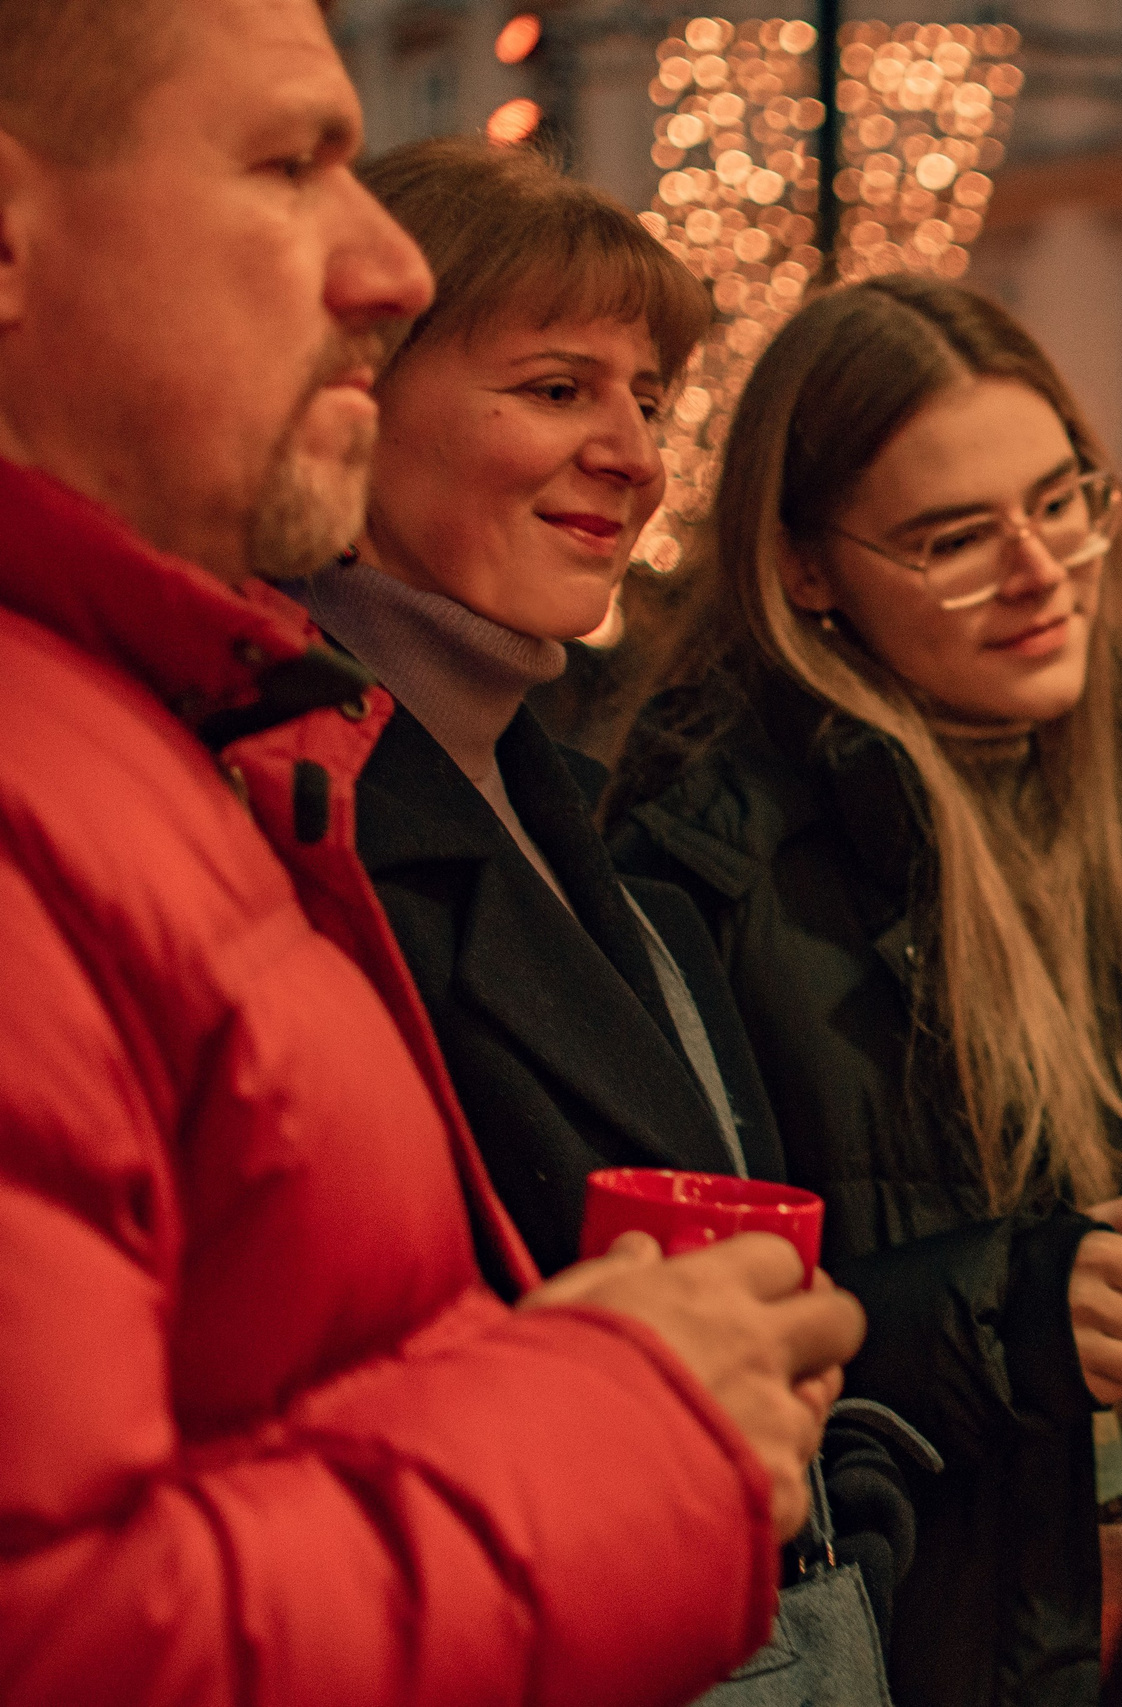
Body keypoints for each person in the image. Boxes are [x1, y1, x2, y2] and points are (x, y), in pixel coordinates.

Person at [0, 4, 864, 1703]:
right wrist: (633, 1420)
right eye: (287, 165)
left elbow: (334, 1388)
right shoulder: (232, 783)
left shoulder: (298, 772)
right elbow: (74, 1622)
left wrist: (847, 1497)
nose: (380, 267)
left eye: (649, 399)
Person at [608, 275, 1122, 1707]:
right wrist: (1007, 1310)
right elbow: (673, 1354)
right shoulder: (708, 866)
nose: (1042, 570)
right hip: (919, 1647)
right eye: (953, 539)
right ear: (807, 570)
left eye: (1062, 504)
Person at [286, 134, 925, 1627]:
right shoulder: (281, 829)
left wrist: (855, 1509)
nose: (635, 456)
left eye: (650, 400)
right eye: (558, 388)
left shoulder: (577, 819)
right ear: (354, 397)